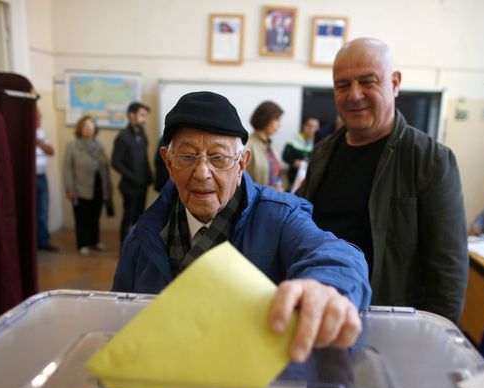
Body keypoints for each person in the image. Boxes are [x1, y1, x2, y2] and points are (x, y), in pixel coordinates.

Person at [112, 91, 371, 363]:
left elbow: (338, 254)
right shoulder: (144, 236)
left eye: (218, 158)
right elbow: (116, 321)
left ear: (242, 164)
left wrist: (326, 286)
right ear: (169, 163)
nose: (202, 173)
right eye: (187, 156)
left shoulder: (279, 217)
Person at [298, 37, 468, 323]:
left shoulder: (430, 160)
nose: (354, 95)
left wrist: (431, 337)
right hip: (318, 315)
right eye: (343, 85)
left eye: (367, 81)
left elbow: (448, 275)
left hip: (386, 322)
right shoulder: (323, 152)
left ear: (395, 82)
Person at [63, 115, 113, 256]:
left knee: (95, 216)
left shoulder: (99, 145)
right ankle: (83, 243)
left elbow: (105, 169)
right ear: (80, 128)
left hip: (98, 186)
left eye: (91, 127)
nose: (89, 129)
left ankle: (94, 241)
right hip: (80, 187)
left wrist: (108, 188)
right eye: (86, 126)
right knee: (81, 217)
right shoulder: (72, 145)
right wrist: (69, 189)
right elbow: (67, 169)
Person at [111, 102, 153, 247]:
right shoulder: (123, 137)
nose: (144, 119)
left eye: (145, 116)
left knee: (139, 218)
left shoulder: (143, 135)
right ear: (132, 115)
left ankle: (135, 247)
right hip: (129, 186)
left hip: (142, 185)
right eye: (142, 115)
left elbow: (144, 158)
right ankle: (124, 248)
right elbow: (115, 162)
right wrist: (132, 176)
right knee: (128, 217)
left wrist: (149, 176)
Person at [246, 101, 284, 191]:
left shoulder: (271, 145)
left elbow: (277, 174)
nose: (279, 125)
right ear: (265, 119)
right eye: (277, 120)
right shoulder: (247, 145)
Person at [35, 107, 59, 252]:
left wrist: (39, 142)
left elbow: (51, 151)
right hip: (29, 179)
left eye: (40, 117)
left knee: (43, 210)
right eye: (37, 117)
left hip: (41, 176)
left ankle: (43, 241)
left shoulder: (41, 134)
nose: (39, 120)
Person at [282, 117, 319, 191]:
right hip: (293, 179)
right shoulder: (294, 140)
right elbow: (285, 156)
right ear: (304, 126)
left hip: (310, 181)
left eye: (314, 127)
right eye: (309, 126)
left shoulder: (319, 143)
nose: (311, 129)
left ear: (317, 129)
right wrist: (294, 162)